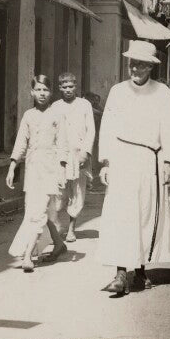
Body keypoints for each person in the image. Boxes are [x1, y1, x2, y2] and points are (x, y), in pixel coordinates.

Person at [97, 40, 170, 295]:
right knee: (120, 214)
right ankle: (120, 273)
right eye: (132, 64)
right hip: (122, 158)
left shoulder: (161, 93)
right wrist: (106, 162)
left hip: (150, 161)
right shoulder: (117, 91)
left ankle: (140, 270)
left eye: (141, 64)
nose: (135, 69)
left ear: (150, 67)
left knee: (145, 215)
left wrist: (168, 162)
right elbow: (108, 127)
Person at [6, 75, 69, 272]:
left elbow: (62, 144)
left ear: (51, 92)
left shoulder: (57, 115)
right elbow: (21, 142)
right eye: (38, 90)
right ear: (32, 92)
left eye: (46, 90)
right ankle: (59, 244)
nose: (42, 94)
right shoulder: (28, 116)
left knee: (38, 211)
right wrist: (12, 166)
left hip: (51, 169)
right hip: (33, 169)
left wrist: (62, 170)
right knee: (39, 210)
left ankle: (27, 256)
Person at [51, 72, 95, 242]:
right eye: (65, 87)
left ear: (76, 86)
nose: (68, 90)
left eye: (71, 86)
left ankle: (71, 229)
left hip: (78, 154)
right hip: (60, 155)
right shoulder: (55, 106)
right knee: (58, 192)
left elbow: (91, 130)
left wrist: (86, 152)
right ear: (60, 88)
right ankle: (56, 226)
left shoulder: (84, 105)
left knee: (77, 192)